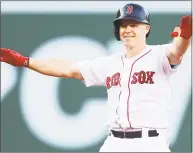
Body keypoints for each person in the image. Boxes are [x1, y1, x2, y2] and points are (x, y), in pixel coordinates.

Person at [0, 3, 192, 152]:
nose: (127, 29)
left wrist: (185, 38)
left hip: (150, 143)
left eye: (134, 24)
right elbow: (68, 69)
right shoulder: (109, 64)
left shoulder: (160, 55)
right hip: (114, 143)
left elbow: (177, 50)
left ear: (146, 29)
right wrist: (26, 61)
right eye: (123, 25)